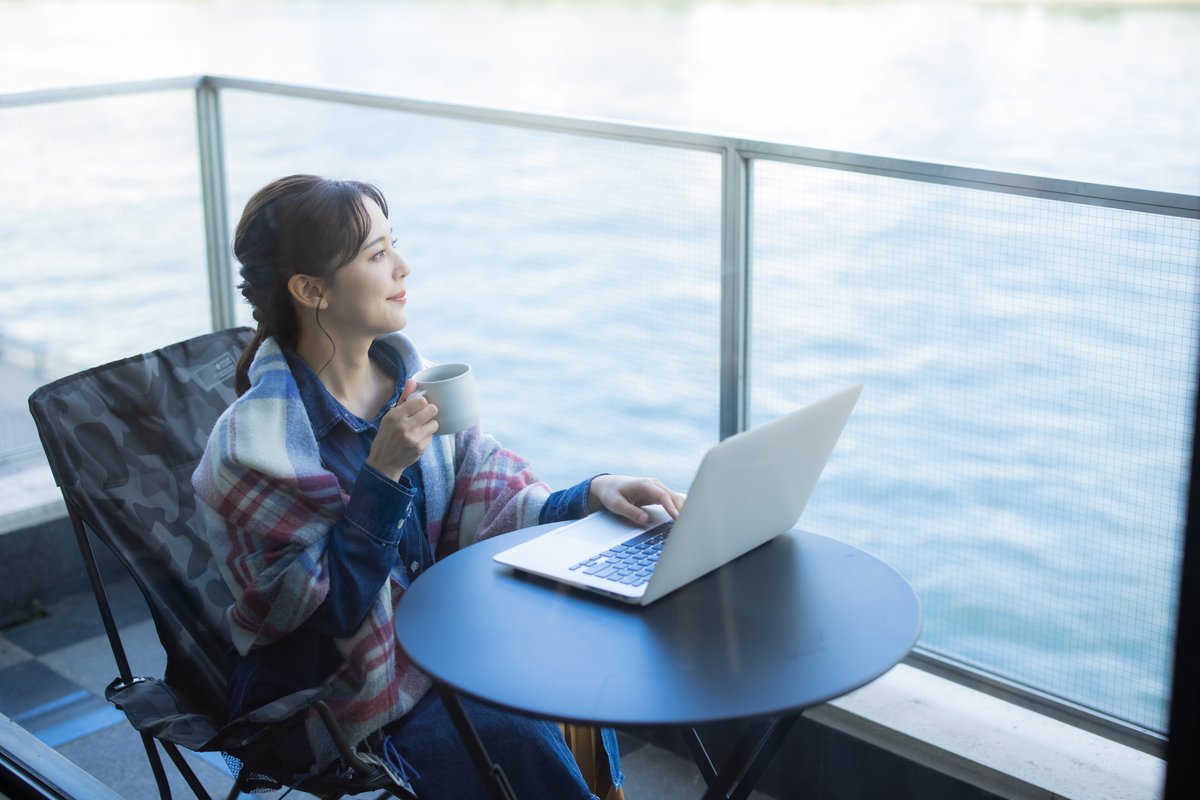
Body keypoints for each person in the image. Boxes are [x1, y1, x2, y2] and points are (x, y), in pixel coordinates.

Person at [192, 174, 684, 799]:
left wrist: (592, 494)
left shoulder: (412, 381)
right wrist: (383, 474)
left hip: (444, 645)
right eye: (376, 254)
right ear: (311, 290)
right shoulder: (251, 449)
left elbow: (490, 495)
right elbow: (321, 614)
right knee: (508, 729)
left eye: (393, 243)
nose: (403, 266)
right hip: (335, 698)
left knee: (574, 670)